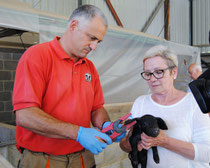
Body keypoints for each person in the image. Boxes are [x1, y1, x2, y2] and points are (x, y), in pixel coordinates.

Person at [13, 5, 125, 168]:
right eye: (91, 37)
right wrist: (78, 133)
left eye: (98, 42)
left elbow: (96, 108)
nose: (94, 47)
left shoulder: (89, 67)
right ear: (73, 26)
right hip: (44, 160)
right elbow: (25, 116)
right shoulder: (37, 56)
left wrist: (106, 125)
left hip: (82, 159)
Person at [120, 45, 210, 168]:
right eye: (147, 74)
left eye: (158, 72)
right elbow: (124, 146)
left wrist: (165, 142)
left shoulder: (194, 103)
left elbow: (207, 153)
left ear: (174, 72)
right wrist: (133, 142)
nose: (152, 79)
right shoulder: (140, 103)